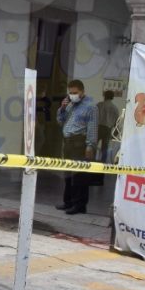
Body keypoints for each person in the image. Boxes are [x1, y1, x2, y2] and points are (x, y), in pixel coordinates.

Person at [55, 79, 98, 215]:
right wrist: (62, 108)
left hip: (80, 143)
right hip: (68, 142)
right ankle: (68, 201)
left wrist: (90, 146)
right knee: (68, 174)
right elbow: (60, 121)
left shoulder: (91, 107)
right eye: (70, 93)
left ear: (82, 92)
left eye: (75, 93)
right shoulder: (70, 105)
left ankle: (79, 205)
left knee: (79, 175)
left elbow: (92, 128)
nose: (73, 95)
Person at [96, 90, 120, 162]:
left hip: (98, 128)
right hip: (108, 129)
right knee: (105, 148)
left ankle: (91, 162)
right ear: (112, 97)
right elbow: (117, 123)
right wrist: (115, 134)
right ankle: (102, 164)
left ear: (105, 96)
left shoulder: (99, 105)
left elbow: (93, 118)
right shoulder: (115, 108)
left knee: (93, 146)